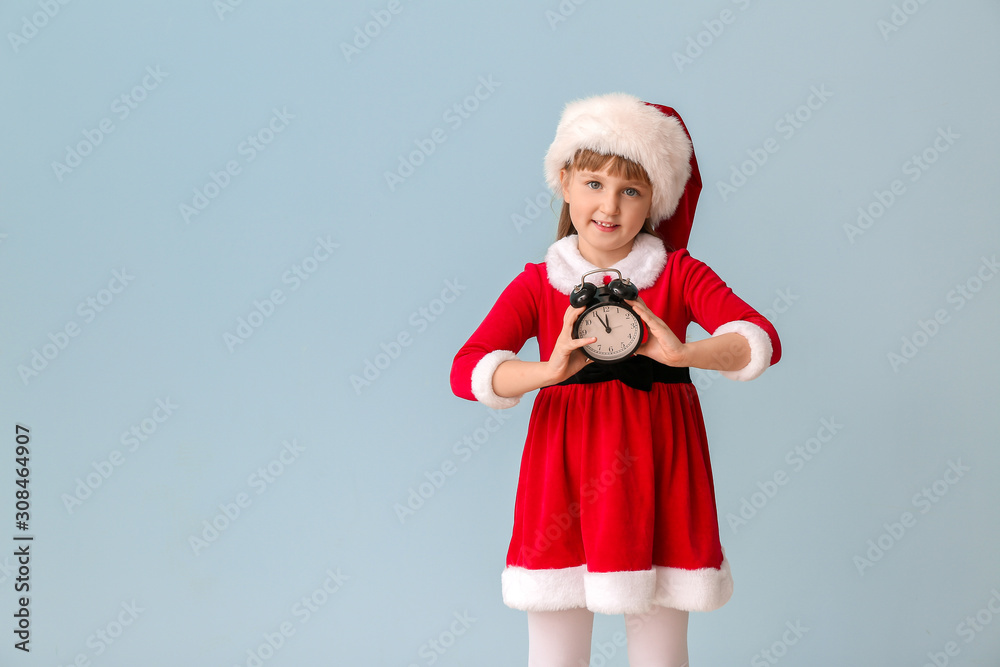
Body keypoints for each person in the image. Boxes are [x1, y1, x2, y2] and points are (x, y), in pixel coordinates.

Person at [450, 92, 781, 666]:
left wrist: (683, 354)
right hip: (564, 472)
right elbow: (468, 368)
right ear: (565, 182)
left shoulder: (678, 272)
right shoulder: (538, 282)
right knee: (555, 652)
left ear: (655, 200)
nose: (610, 206)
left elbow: (759, 337)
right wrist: (548, 371)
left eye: (631, 190)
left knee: (661, 652)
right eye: (594, 184)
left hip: (660, 468)